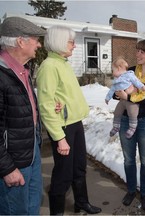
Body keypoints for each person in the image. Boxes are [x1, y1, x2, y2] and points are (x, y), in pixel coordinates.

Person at [36, 25, 101, 215]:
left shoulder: (63, 63)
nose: (74, 46)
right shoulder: (49, 66)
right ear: (58, 42)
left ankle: (81, 203)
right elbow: (46, 106)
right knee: (63, 174)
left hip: (74, 123)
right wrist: (59, 137)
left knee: (79, 167)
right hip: (62, 127)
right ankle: (56, 212)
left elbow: (63, 96)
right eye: (71, 42)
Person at [0, 16, 45, 215]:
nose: (39, 43)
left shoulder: (23, 71)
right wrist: (7, 168)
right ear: (20, 41)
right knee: (16, 211)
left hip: (31, 151)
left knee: (33, 205)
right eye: (35, 39)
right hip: (13, 160)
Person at [115, 39, 145, 210]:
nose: (137, 54)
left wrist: (127, 97)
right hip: (125, 119)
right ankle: (130, 190)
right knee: (128, 159)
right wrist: (118, 94)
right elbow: (117, 91)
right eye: (137, 51)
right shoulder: (129, 71)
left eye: (142, 52)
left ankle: (143, 193)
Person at [105, 57, 145, 138]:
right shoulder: (116, 80)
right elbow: (112, 90)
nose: (112, 72)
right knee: (117, 112)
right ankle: (116, 126)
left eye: (113, 70)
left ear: (119, 68)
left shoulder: (129, 75)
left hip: (131, 100)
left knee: (132, 113)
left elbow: (136, 81)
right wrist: (107, 98)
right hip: (122, 101)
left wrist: (142, 87)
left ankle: (132, 127)